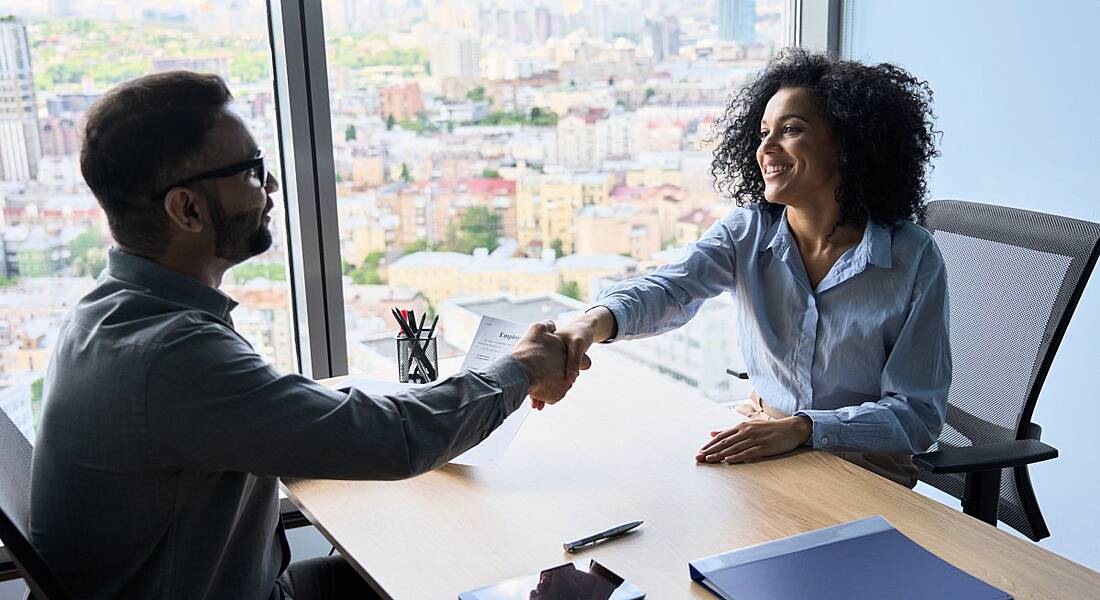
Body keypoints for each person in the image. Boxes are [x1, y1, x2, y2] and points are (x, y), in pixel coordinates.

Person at [29, 71, 585, 600]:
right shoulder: (171, 355)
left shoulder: (112, 313)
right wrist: (523, 368)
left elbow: (290, 416)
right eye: (250, 170)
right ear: (188, 208)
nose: (270, 185)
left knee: (442, 561)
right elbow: (393, 440)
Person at [554, 49, 950, 488]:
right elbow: (670, 289)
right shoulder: (748, 232)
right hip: (761, 439)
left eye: (790, 130)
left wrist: (804, 428)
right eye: (763, 133)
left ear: (848, 145)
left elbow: (917, 415)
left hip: (865, 467)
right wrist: (588, 326)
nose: (766, 148)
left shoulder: (913, 258)